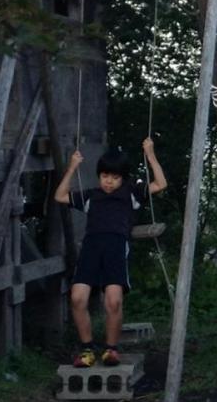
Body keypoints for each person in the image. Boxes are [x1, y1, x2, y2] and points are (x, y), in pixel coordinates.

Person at [54, 138, 167, 368]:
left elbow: (160, 184)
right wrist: (72, 167)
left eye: (115, 178)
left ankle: (111, 350)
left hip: (116, 248)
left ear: (122, 178)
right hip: (91, 249)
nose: (109, 182)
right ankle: (87, 349)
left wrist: (150, 154)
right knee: (77, 298)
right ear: (99, 175)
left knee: (113, 302)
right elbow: (60, 196)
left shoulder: (131, 193)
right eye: (105, 176)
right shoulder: (91, 195)